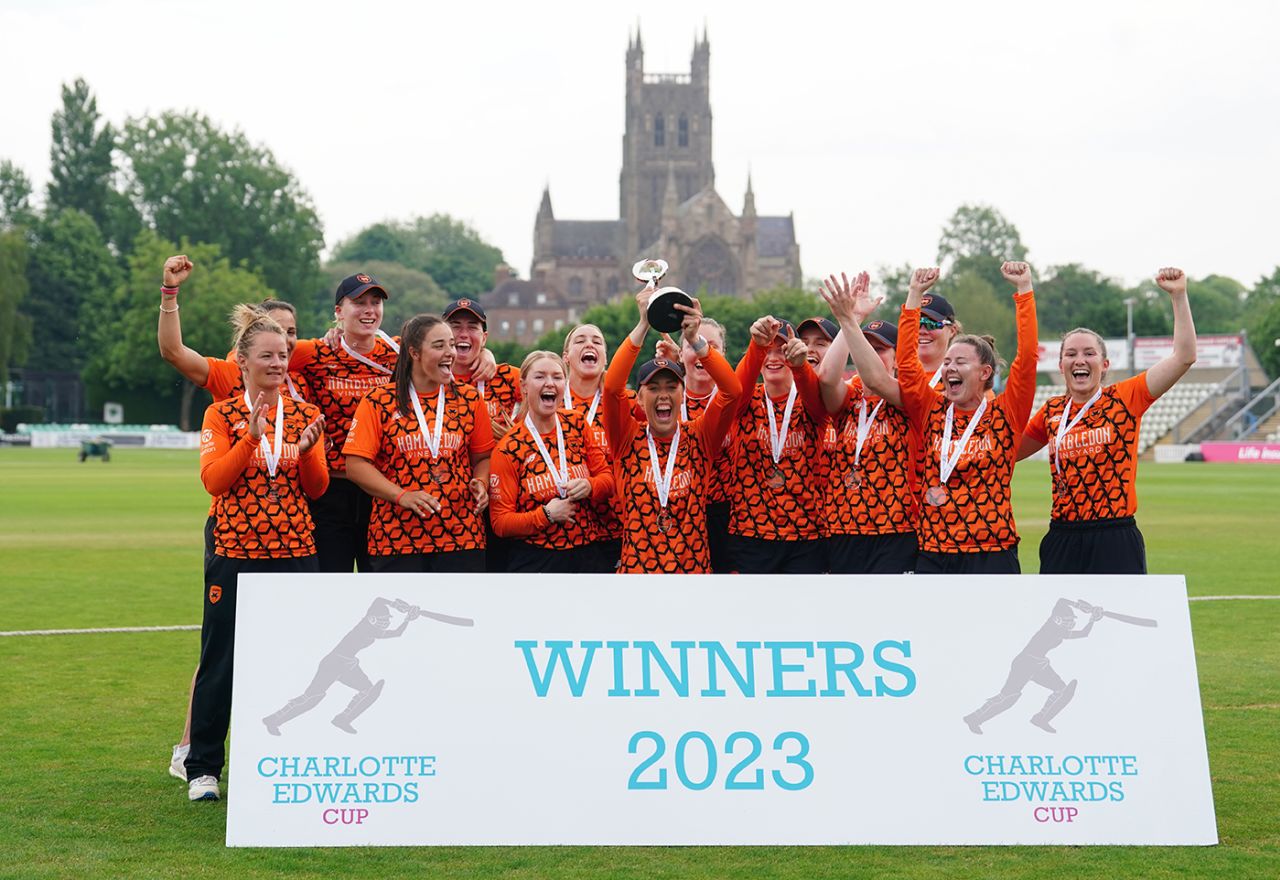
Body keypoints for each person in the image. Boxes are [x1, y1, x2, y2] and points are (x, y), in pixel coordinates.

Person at [155, 254, 306, 781]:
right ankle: (192, 749)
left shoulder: (301, 378)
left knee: (301, 646)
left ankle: (284, 753)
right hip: (239, 529)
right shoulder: (228, 382)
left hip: (301, 528)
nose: (286, 346)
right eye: (276, 336)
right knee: (222, 647)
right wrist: (170, 295)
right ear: (251, 345)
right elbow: (173, 350)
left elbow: (372, 349)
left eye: (291, 337)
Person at [187, 306, 327, 802]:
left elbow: (317, 489)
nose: (277, 362)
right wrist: (249, 438)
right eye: (266, 355)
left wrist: (309, 451)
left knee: (297, 660)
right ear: (242, 362)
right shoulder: (220, 415)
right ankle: (203, 766)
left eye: (284, 354)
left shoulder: (307, 415)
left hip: (295, 552)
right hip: (235, 552)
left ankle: (283, 756)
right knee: (220, 660)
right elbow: (214, 480)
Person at [1018, 267, 1198, 573]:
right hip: (1063, 536)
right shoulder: (1051, 412)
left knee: (1120, 620)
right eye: (1071, 354)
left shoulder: (1126, 397)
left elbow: (1184, 356)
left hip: (1115, 535)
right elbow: (1003, 454)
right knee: (1056, 620)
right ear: (1061, 365)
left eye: (1089, 353)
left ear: (1104, 364)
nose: (1079, 360)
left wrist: (1179, 296)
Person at [895, 262, 1038, 574]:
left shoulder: (1005, 413)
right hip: (933, 551)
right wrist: (914, 295)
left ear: (984, 372)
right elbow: (906, 364)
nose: (949, 369)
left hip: (991, 552)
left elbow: (1026, 360)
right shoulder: (931, 409)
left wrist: (1024, 291)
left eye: (960, 362)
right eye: (947, 362)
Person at [603, 289, 741, 573]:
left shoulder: (699, 437)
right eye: (653, 388)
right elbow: (612, 387)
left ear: (683, 393)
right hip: (637, 577)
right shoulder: (626, 439)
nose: (663, 395)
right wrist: (642, 324)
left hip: (692, 579)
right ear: (639, 399)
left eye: (671, 387)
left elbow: (731, 391)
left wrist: (696, 341)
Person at [343, 314, 494, 572]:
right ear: (414, 352)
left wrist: (480, 483)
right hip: (396, 539)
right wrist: (402, 496)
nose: (451, 353)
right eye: (439, 346)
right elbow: (355, 465)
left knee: (457, 613)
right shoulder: (379, 400)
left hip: (461, 536)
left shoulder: (468, 399)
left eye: (451, 345)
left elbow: (484, 457)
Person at [289, 273, 400, 573]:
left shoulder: (398, 353)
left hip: (381, 490)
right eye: (359, 303)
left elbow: (449, 357)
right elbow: (250, 356)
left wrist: (488, 356)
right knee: (329, 581)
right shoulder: (317, 351)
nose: (369, 310)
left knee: (379, 585)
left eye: (375, 302)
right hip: (331, 489)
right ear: (339, 311)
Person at [816, 272, 919, 573]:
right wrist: (854, 320)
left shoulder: (908, 396)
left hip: (894, 533)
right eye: (866, 345)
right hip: (843, 531)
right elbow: (826, 376)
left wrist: (849, 321)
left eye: (881, 348)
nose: (871, 353)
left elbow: (877, 377)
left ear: (899, 359)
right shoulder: (850, 397)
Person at [488, 351, 615, 572]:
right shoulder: (508, 448)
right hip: (536, 559)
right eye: (540, 377)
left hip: (587, 553)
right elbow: (500, 523)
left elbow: (608, 480)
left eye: (557, 377)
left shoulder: (577, 424)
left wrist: (590, 486)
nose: (550, 383)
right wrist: (546, 515)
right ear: (524, 386)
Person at [726, 316, 830, 573]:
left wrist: (800, 366)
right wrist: (756, 346)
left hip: (805, 536)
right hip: (750, 533)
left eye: (780, 350)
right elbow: (736, 389)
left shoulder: (808, 399)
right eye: (767, 350)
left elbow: (815, 397)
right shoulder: (747, 400)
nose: (773, 358)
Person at [655, 317, 734, 572]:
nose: (701, 350)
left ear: (722, 354)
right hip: (676, 512)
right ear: (681, 354)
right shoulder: (662, 404)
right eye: (692, 344)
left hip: (728, 516)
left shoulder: (737, 402)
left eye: (712, 345)